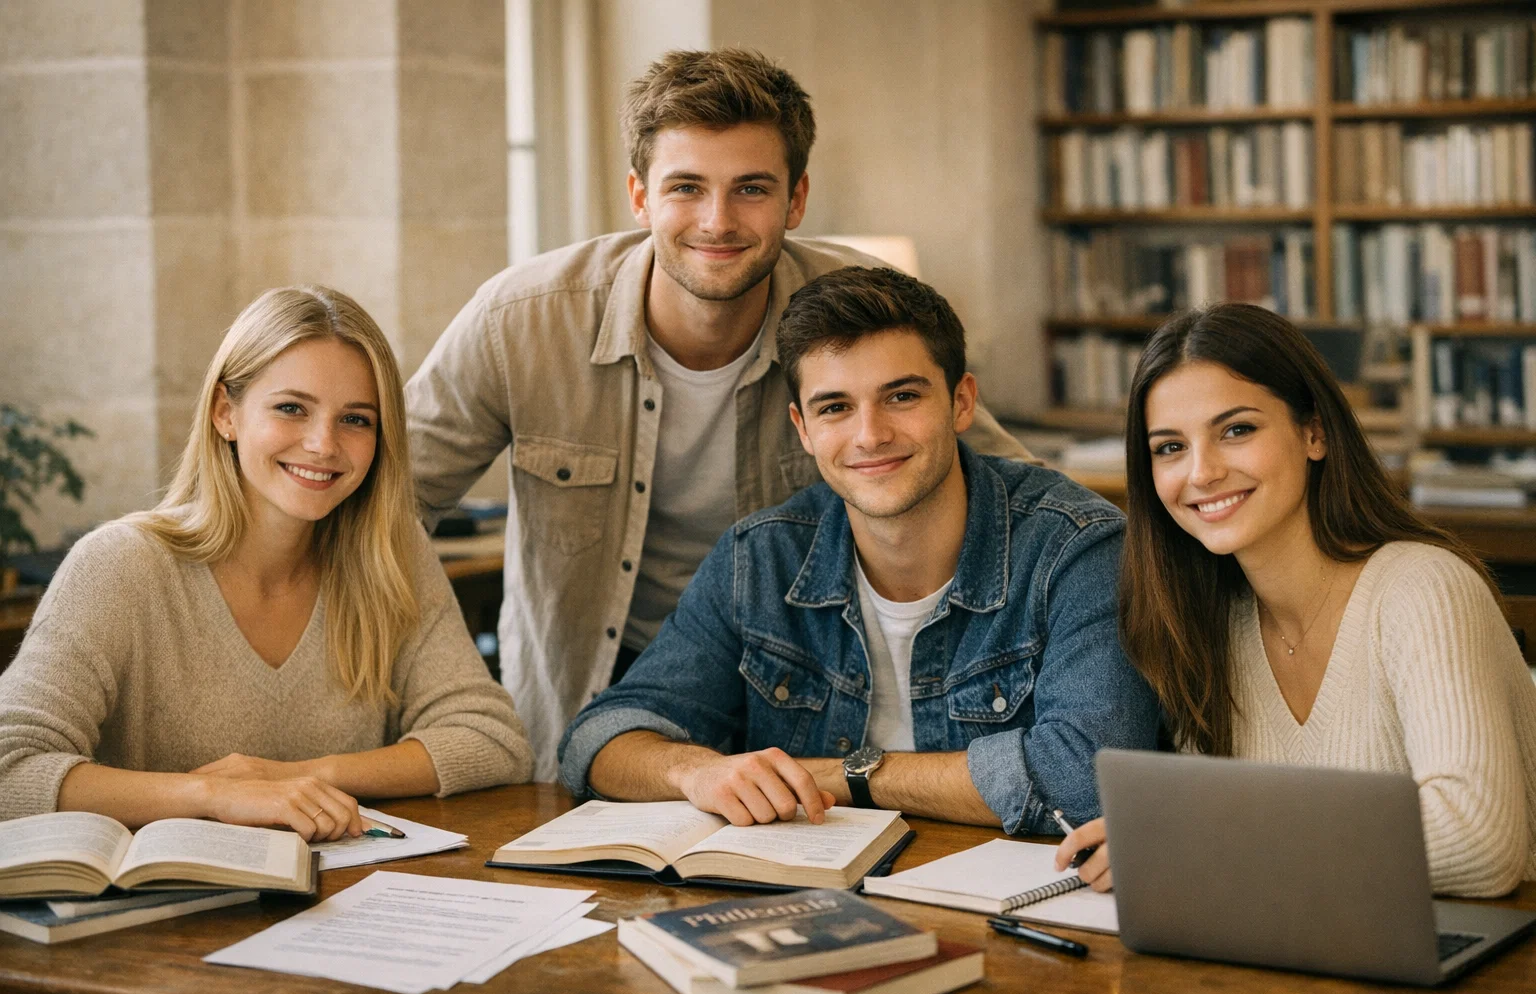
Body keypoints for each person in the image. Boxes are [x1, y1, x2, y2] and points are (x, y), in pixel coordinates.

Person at [405, 48, 1031, 780]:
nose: (717, 221)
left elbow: (1010, 493)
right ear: (639, 196)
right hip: (598, 701)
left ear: (796, 200)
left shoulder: (858, 311)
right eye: (686, 187)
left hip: (804, 698)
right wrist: (443, 691)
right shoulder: (521, 321)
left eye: (751, 189)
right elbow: (384, 502)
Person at [557, 267, 1160, 832]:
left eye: (902, 397)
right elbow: (597, 740)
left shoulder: (1077, 548)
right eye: (836, 408)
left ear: (962, 402)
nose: (870, 436)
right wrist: (694, 771)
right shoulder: (760, 559)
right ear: (803, 428)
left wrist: (841, 777)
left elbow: (1091, 779)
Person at [0, 286, 533, 837]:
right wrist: (214, 797)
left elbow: (492, 740)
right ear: (225, 413)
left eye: (356, 419)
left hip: (349, 886)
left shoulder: (390, 554)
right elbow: (9, 768)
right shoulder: (119, 566)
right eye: (291, 408)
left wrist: (301, 778)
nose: (323, 444)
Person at [1055, 303, 1536, 897]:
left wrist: (1202, 839)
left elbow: (1479, 842)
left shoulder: (1425, 589)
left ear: (1315, 433)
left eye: (1236, 430)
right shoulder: (1206, 623)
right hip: (1331, 940)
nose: (1201, 473)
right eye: (1170, 447)